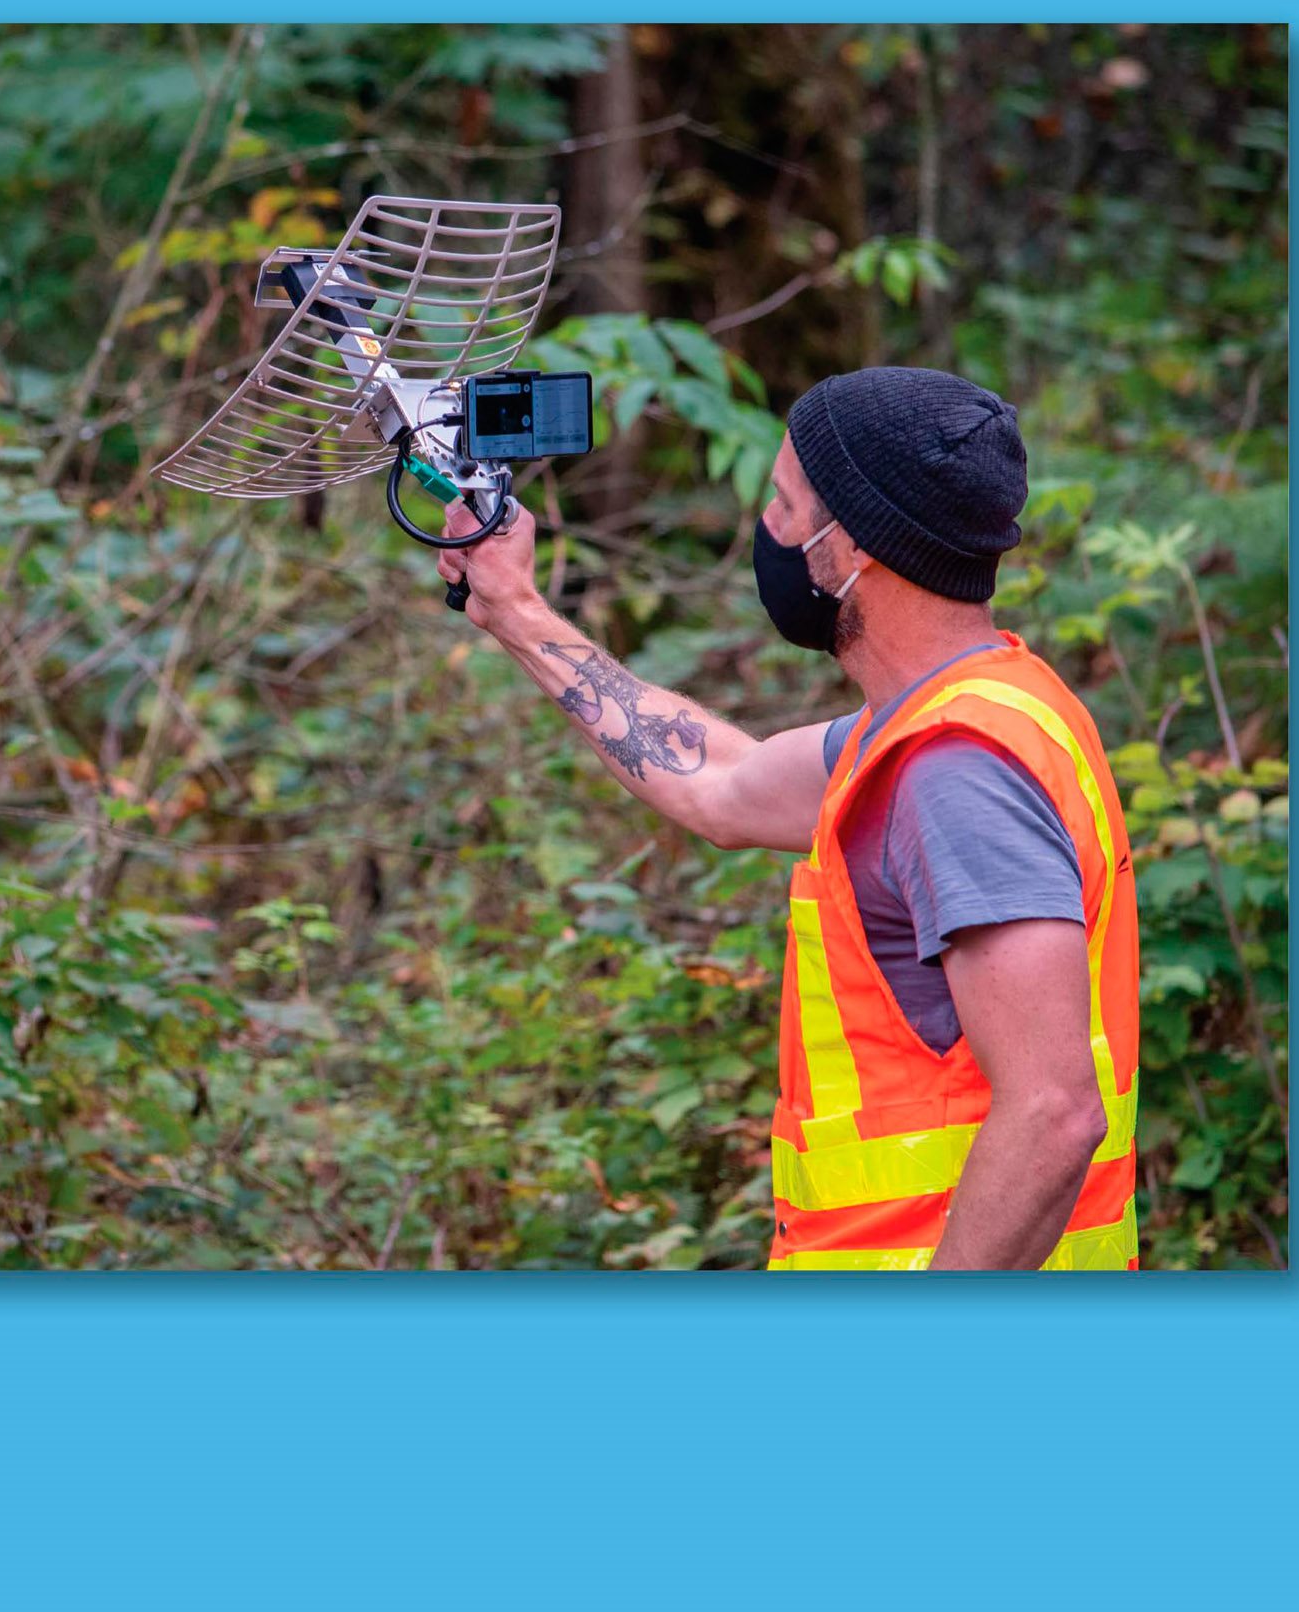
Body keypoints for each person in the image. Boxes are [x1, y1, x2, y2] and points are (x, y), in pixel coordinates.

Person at [437, 366, 1139, 1271]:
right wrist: (516, 610)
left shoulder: (955, 771)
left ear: (855, 548)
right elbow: (720, 782)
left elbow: (1054, 1110)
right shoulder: (962, 713)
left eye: (782, 503)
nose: (766, 528)